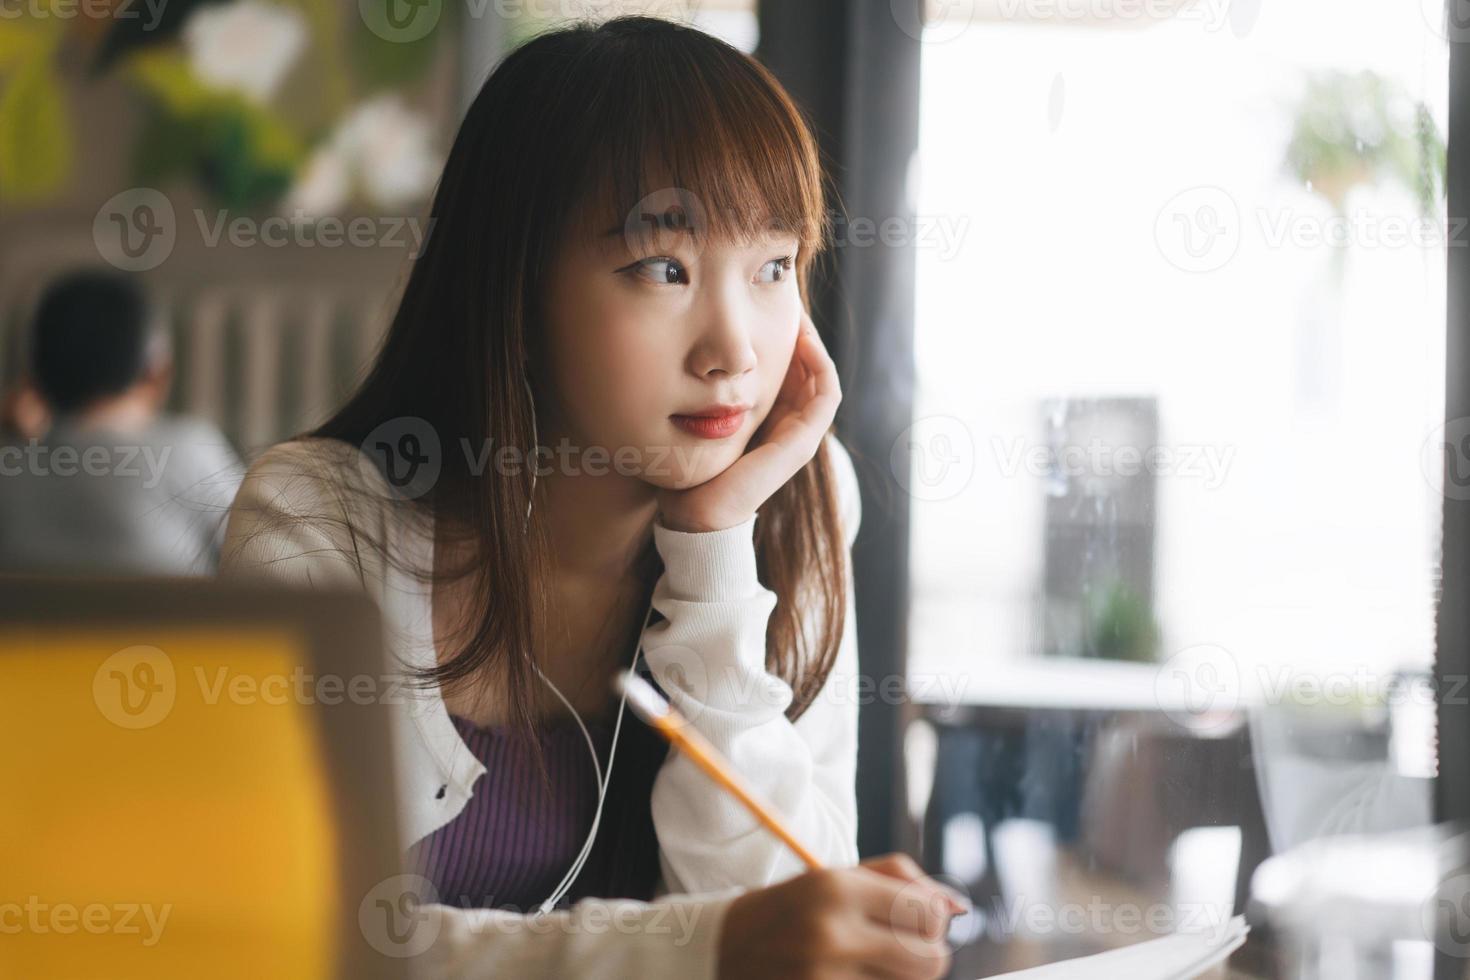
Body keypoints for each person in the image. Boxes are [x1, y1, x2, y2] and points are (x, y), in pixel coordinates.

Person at [219, 15, 963, 980]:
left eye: (774, 266)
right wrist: (706, 950)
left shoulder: (799, 501)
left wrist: (714, 551)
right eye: (666, 269)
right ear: (516, 295)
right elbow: (295, 941)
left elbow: (794, 921)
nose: (734, 350)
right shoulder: (325, 520)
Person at [0, 269, 243, 575]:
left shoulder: (11, 468)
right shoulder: (188, 451)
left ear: (33, 380)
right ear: (158, 372)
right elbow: (263, 557)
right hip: (175, 623)